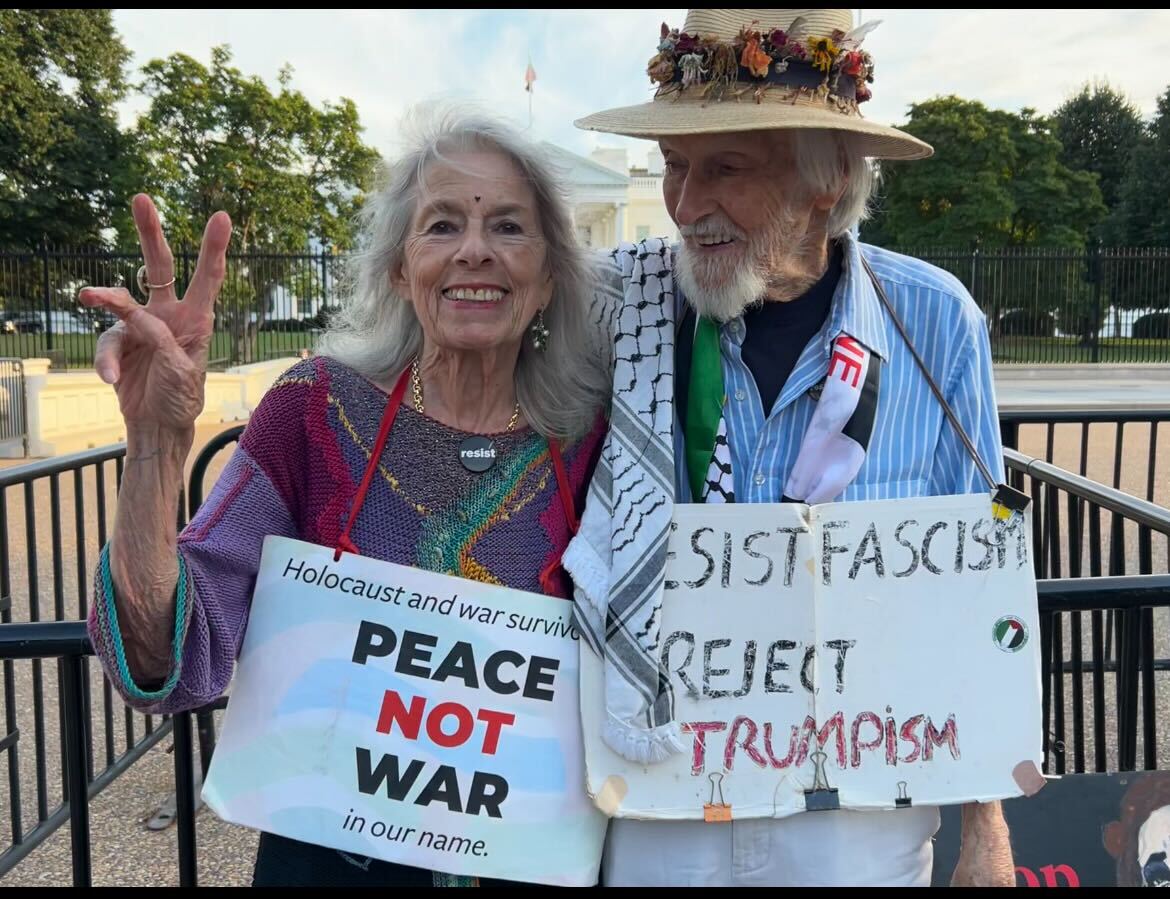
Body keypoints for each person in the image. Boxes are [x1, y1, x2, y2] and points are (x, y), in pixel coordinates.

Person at [80, 108, 609, 887]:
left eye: (508, 226)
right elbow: (167, 657)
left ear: (549, 276)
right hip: (331, 864)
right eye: (439, 226)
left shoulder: (593, 440)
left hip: (531, 867)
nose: (474, 250)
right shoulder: (317, 411)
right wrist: (156, 449)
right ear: (399, 268)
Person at [562, 7, 1016, 887]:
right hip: (661, 796)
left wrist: (986, 828)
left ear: (828, 178)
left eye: (727, 168)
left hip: (858, 810)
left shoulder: (935, 321)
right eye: (675, 167)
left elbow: (975, 591)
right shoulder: (615, 306)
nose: (688, 206)